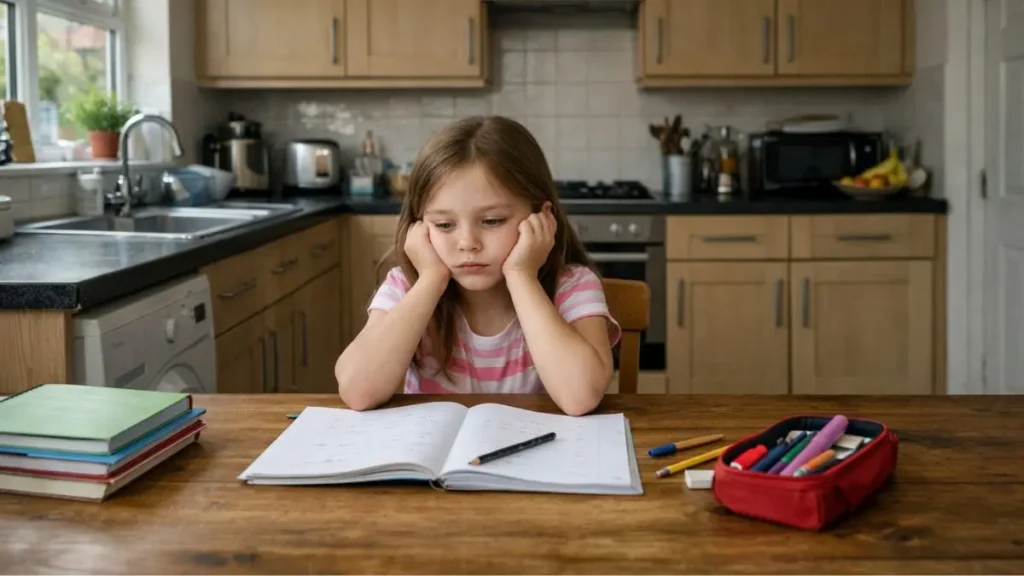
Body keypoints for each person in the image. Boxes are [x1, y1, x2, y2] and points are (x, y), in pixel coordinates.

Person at [335, 115, 621, 416]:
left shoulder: (573, 286)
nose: (467, 242)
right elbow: (358, 391)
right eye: (445, 225)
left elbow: (580, 397)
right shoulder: (406, 287)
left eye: (492, 221)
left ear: (542, 218)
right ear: (418, 227)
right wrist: (432, 279)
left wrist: (521, 276)